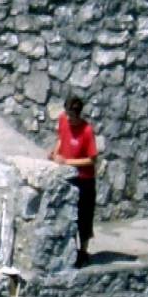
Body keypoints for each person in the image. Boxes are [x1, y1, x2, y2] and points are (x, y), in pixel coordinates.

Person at [49, 93, 98, 268]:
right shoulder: (63, 120)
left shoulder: (86, 131)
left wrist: (68, 161)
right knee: (69, 216)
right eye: (67, 115)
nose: (68, 119)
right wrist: (55, 153)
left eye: (71, 116)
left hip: (84, 179)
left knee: (84, 217)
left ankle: (83, 251)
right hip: (68, 178)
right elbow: (61, 138)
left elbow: (92, 159)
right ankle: (70, 250)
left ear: (78, 114)